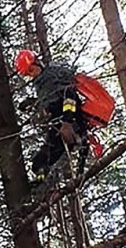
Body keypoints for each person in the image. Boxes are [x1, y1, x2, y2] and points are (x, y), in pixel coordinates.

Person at [14, 48, 115, 181]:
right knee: (41, 162)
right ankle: (43, 184)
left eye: (31, 71)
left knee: (42, 161)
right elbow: (51, 100)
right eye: (28, 74)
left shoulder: (53, 76)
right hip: (60, 122)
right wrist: (32, 102)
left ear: (37, 62)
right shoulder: (43, 82)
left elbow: (69, 96)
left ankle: (45, 183)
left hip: (68, 121)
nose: (31, 75)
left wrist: (67, 122)